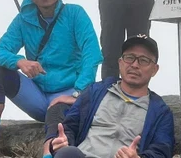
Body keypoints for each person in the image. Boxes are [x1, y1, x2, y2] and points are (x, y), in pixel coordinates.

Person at [0, 0, 103, 158]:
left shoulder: (75, 14)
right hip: (37, 97)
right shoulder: (23, 20)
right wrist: (20, 61)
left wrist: (78, 93)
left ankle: (51, 152)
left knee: (59, 111)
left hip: (70, 95)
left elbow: (92, 54)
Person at [45, 35, 174, 158]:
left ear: (155, 70)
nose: (134, 65)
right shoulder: (96, 91)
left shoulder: (160, 112)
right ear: (120, 62)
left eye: (143, 60)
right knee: (67, 153)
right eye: (129, 57)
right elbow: (70, 126)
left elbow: (162, 150)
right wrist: (61, 142)